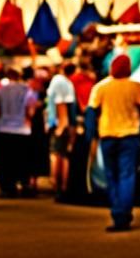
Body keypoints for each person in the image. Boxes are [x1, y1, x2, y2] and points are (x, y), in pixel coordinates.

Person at [87, 54, 140, 233]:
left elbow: (92, 111)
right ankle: (124, 212)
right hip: (130, 135)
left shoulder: (101, 87)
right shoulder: (136, 87)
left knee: (111, 176)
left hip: (107, 135)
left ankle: (117, 212)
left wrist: (91, 134)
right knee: (127, 175)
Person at [0, 66, 37, 198]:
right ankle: (24, 184)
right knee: (23, 160)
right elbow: (31, 112)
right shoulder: (28, 91)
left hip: (3, 129)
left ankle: (6, 187)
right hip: (22, 130)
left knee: (5, 161)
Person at [46, 59, 77, 198]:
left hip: (60, 124)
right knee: (63, 155)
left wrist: (61, 126)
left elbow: (61, 104)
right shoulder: (67, 83)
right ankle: (61, 187)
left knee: (57, 155)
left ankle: (58, 186)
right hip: (64, 123)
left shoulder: (58, 81)